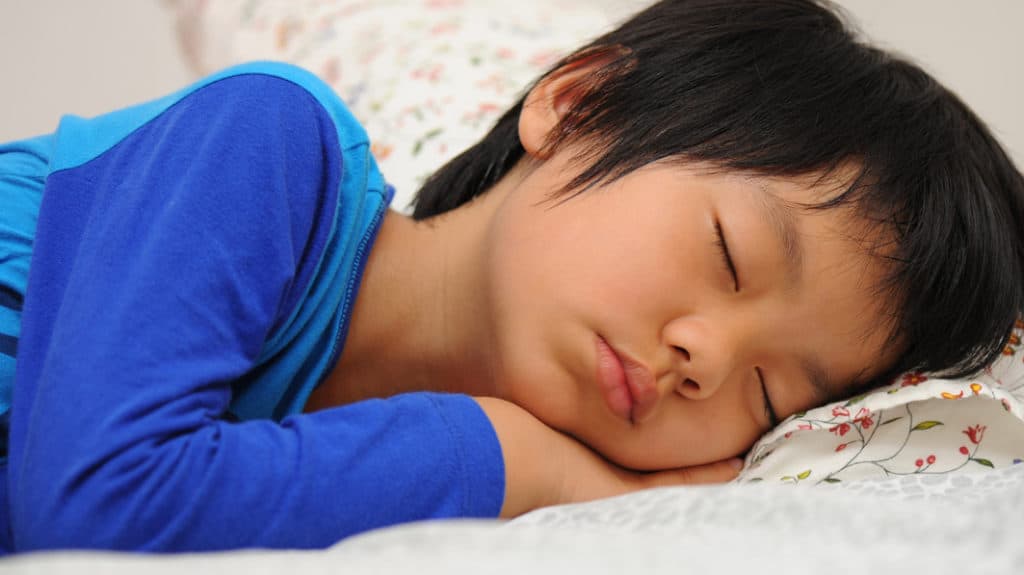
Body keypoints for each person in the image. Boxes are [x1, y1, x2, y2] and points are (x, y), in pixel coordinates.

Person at [1, 0, 1021, 554]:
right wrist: (516, 458)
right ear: (573, 105)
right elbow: (95, 511)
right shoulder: (266, 139)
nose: (705, 357)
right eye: (728, 254)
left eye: (772, 391)